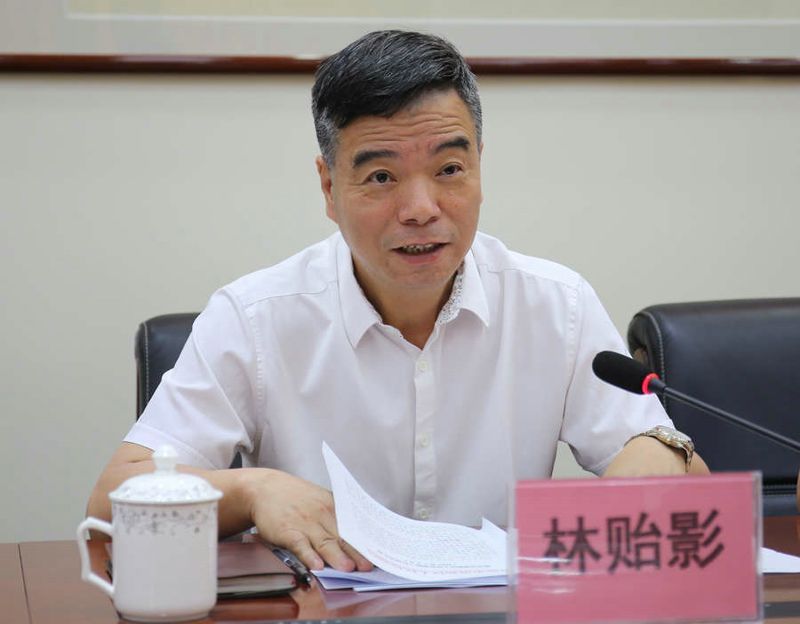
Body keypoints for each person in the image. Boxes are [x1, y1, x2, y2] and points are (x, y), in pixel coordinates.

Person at [87, 30, 708, 574]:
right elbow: (112, 502)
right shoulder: (255, 318)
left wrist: (656, 454)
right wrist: (252, 491)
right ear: (329, 188)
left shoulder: (556, 305)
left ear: (479, 167)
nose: (420, 209)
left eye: (449, 169)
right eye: (381, 177)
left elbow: (685, 481)